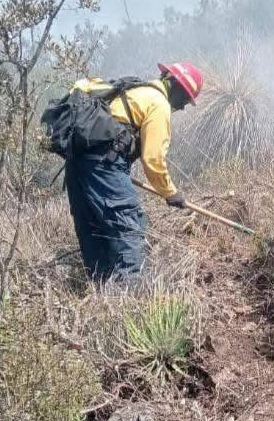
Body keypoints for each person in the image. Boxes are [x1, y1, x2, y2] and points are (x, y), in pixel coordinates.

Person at [65, 62, 203, 282]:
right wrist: (171, 193)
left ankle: (102, 294)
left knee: (92, 230)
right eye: (185, 99)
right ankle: (128, 296)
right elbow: (153, 159)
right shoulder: (159, 104)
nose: (184, 106)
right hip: (105, 165)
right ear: (174, 86)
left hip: (77, 163)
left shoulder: (136, 91)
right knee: (128, 227)